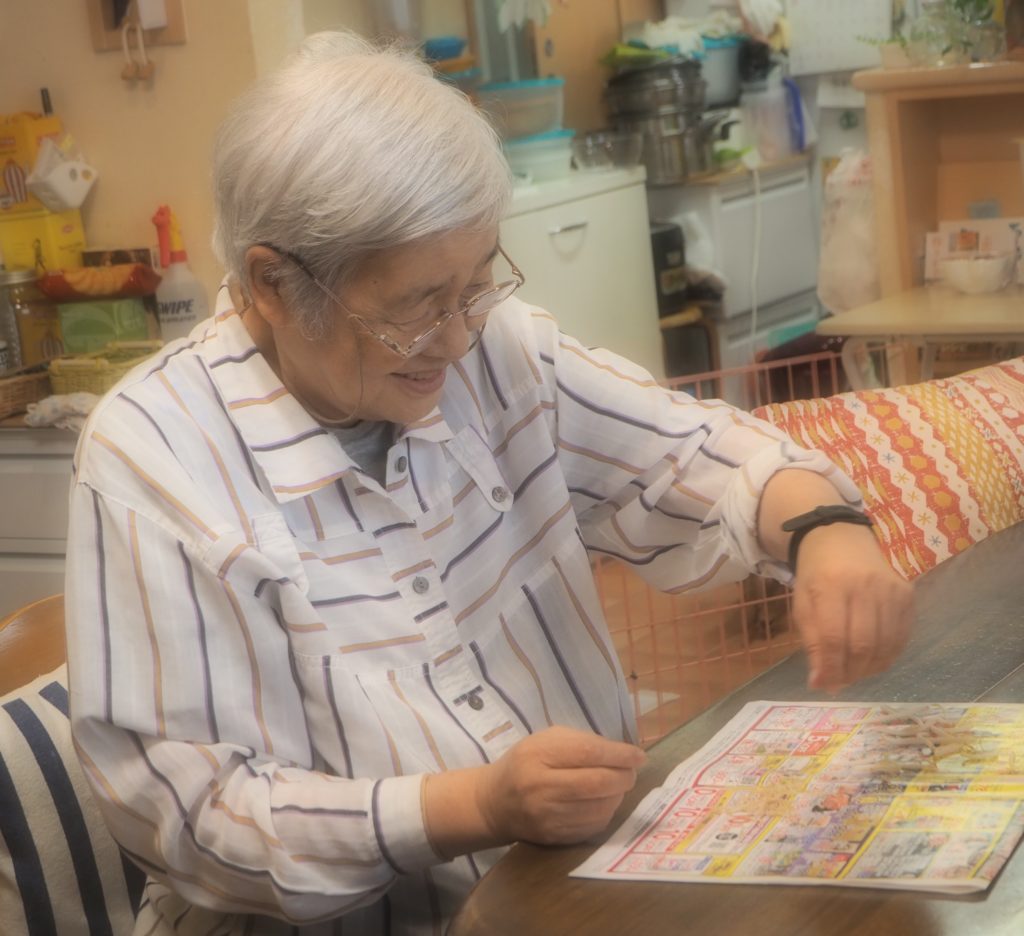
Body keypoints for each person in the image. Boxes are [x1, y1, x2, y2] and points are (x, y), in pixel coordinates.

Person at [64, 30, 914, 936]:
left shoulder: (491, 346)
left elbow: (689, 454)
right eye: (416, 308)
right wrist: (472, 805)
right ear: (272, 284)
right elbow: (196, 817)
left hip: (569, 894)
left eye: (476, 284)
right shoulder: (154, 459)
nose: (460, 335)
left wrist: (822, 528)